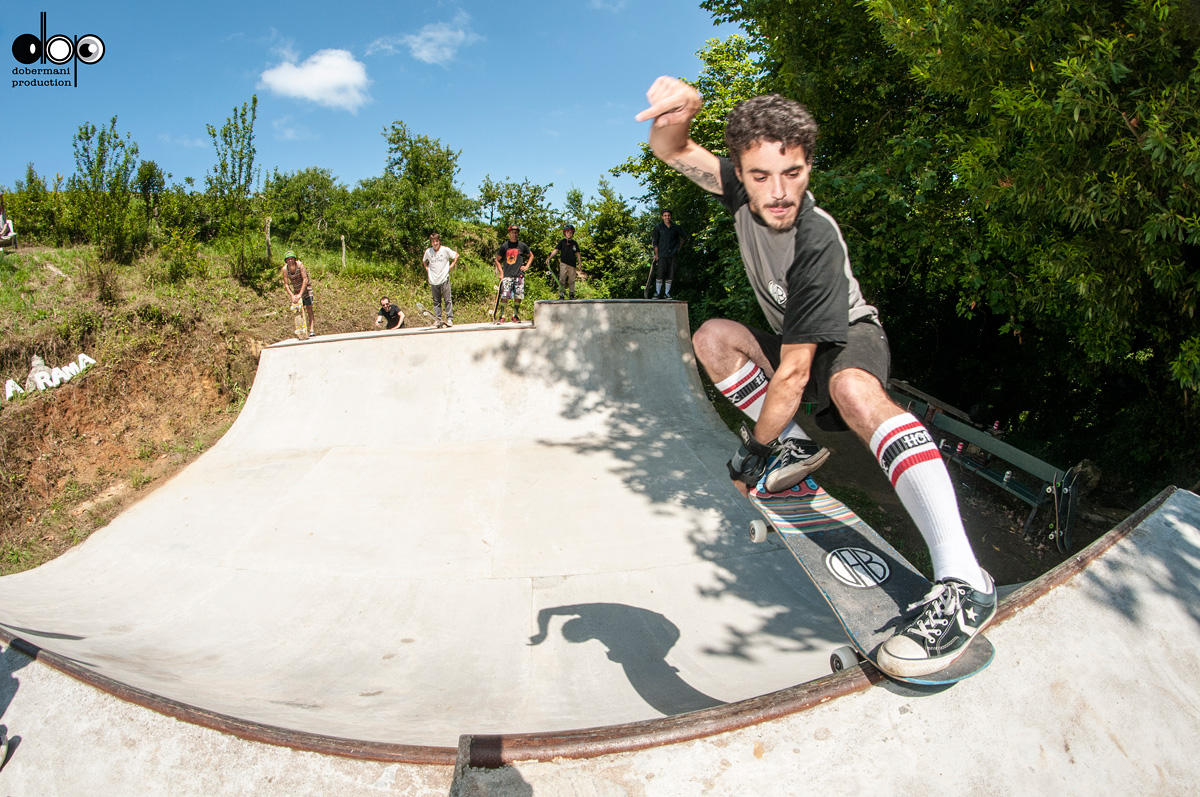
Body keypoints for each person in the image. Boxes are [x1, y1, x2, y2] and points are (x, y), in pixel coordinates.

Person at [636, 76, 996, 678]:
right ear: (742, 172)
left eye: (794, 174)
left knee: (851, 390)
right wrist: (684, 110)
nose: (778, 195)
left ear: (808, 167)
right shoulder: (739, 188)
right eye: (761, 177)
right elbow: (670, 149)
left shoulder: (816, 241)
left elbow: (797, 373)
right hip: (794, 342)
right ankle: (796, 448)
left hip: (846, 337)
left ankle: (965, 582)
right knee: (712, 339)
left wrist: (753, 452)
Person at [493, 224, 531, 323]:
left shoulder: (522, 245)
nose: (514, 234)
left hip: (519, 275)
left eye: (516, 232)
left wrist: (526, 266)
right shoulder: (504, 246)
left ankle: (515, 315)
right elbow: (497, 260)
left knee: (518, 296)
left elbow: (531, 255)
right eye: (513, 232)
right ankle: (502, 316)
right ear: (509, 233)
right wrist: (501, 273)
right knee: (504, 296)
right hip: (507, 275)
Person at [423, 233, 458, 327]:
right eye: (433, 242)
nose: (435, 243)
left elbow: (456, 255)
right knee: (436, 301)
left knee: (447, 299)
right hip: (433, 279)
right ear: (431, 242)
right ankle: (438, 319)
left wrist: (452, 265)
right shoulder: (428, 251)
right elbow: (424, 261)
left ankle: (449, 318)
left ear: (439, 241)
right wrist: (427, 269)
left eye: (436, 241)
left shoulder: (445, 250)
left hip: (444, 277)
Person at [280, 250, 315, 337]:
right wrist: (292, 296)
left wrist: (300, 293)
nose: (290, 261)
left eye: (292, 259)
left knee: (309, 308)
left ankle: (311, 329)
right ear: (286, 261)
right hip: (296, 290)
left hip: (306, 289)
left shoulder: (299, 265)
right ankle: (301, 331)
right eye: (288, 259)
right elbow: (286, 284)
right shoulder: (285, 269)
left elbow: (305, 279)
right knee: (298, 310)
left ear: (294, 259)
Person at [650, 210, 683, 299]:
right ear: (662, 217)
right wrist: (656, 254)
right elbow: (655, 242)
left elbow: (684, 237)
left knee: (670, 274)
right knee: (660, 274)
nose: (667, 217)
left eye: (668, 215)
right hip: (661, 254)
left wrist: (678, 248)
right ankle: (657, 292)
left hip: (672, 254)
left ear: (671, 216)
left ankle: (667, 293)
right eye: (665, 215)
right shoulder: (658, 227)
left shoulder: (676, 227)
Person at [549, 225, 582, 300]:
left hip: (572, 264)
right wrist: (550, 258)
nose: (569, 234)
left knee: (571, 280)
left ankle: (571, 294)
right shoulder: (562, 242)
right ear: (565, 233)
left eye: (570, 233)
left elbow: (578, 253)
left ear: (572, 233)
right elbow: (556, 250)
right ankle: (561, 294)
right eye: (567, 232)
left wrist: (580, 263)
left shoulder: (574, 243)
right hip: (563, 263)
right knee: (562, 279)